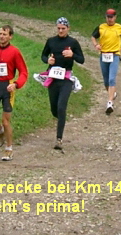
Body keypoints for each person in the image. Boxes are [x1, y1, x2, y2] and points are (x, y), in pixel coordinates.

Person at [0, 25, 28, 161]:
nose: (1, 36)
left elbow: (24, 72)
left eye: (4, 34)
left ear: (10, 36)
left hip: (7, 89)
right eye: (0, 33)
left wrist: (16, 84)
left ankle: (8, 149)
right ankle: (0, 130)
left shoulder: (15, 52)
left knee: (6, 121)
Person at [41, 17, 85, 150]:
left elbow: (82, 60)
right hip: (53, 78)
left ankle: (59, 139)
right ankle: (61, 119)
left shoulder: (73, 42)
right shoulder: (51, 41)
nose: (60, 31)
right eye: (58, 28)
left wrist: (72, 55)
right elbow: (43, 56)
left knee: (61, 107)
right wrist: (48, 60)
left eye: (63, 29)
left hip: (66, 79)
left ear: (68, 29)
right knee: (54, 109)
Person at [91, 8, 121, 114]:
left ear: (115, 17)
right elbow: (93, 36)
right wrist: (96, 45)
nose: (110, 19)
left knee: (112, 78)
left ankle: (110, 102)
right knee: (106, 80)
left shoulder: (119, 27)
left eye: (111, 17)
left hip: (115, 55)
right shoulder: (101, 27)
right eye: (108, 17)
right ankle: (112, 93)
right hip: (103, 55)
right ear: (106, 17)